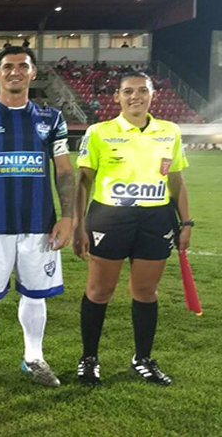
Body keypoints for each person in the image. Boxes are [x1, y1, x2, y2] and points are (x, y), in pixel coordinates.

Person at [0, 46, 74, 389]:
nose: (15, 72)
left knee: (35, 294)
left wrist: (68, 217)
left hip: (40, 225)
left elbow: (64, 171)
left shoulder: (51, 119)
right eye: (7, 66)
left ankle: (33, 358)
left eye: (23, 66)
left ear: (33, 73)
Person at [72, 71, 191, 386]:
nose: (135, 96)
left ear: (153, 95)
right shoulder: (99, 132)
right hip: (109, 219)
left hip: (156, 219)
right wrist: (77, 224)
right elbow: (83, 181)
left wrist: (186, 222)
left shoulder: (170, 131)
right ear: (117, 97)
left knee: (146, 291)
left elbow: (176, 179)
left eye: (142, 90)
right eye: (128, 91)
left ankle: (143, 359)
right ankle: (89, 359)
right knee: (100, 292)